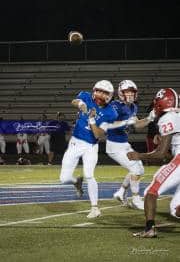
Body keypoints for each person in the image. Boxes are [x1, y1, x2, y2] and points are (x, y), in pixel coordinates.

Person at [89, 80, 155, 210]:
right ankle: (136, 198)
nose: (130, 95)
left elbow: (136, 125)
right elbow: (106, 124)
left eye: (132, 92)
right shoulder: (114, 106)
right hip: (114, 145)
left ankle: (121, 192)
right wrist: (125, 122)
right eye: (127, 92)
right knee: (136, 169)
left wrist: (149, 118)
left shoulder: (133, 107)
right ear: (120, 93)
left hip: (124, 143)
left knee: (139, 168)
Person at [60, 80, 118, 218]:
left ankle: (95, 207)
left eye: (105, 92)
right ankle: (76, 182)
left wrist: (91, 120)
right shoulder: (86, 96)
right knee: (64, 178)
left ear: (110, 95)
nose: (101, 94)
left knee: (89, 175)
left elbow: (98, 134)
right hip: (75, 142)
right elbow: (74, 101)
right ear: (94, 90)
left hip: (91, 146)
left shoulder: (111, 113)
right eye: (99, 91)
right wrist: (81, 104)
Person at [127, 88, 180, 238]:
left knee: (151, 191)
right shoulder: (176, 115)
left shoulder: (168, 118)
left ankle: (150, 229)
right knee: (175, 209)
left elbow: (161, 155)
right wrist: (162, 141)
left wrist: (139, 155)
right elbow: (169, 156)